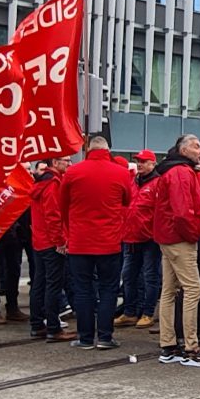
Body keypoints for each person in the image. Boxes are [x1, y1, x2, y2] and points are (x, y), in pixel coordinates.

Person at [60, 136, 133, 350]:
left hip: (80, 241)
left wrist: (69, 232)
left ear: (87, 149)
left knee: (83, 289)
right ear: (107, 149)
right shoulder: (120, 173)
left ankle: (85, 338)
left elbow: (62, 206)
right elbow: (127, 201)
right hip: (109, 241)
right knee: (109, 289)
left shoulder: (73, 172)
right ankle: (104, 336)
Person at [151, 136, 200, 367]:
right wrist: (193, 234)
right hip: (179, 238)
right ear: (184, 150)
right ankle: (191, 348)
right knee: (193, 289)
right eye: (197, 146)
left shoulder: (173, 170)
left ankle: (168, 346)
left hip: (169, 237)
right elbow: (183, 211)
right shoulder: (181, 172)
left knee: (169, 290)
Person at [28, 155, 76, 342]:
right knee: (53, 285)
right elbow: (53, 215)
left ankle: (37, 324)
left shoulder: (41, 183)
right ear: (55, 163)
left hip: (40, 241)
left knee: (39, 283)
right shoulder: (53, 184)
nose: (69, 164)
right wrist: (60, 241)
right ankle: (53, 328)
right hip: (51, 242)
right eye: (66, 160)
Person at [117, 149, 161, 329]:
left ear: (152, 163)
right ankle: (130, 312)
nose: (140, 164)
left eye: (144, 161)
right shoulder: (133, 181)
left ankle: (147, 312)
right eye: (138, 161)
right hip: (130, 236)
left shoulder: (157, 183)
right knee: (129, 276)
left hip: (149, 238)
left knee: (150, 276)